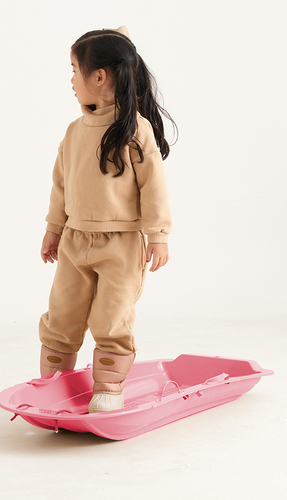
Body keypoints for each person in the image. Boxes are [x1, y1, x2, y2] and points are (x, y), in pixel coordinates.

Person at [38, 26, 176, 413]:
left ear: (98, 76)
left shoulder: (135, 129)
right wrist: (53, 229)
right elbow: (61, 185)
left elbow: (153, 186)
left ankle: (109, 388)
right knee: (62, 313)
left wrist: (159, 234)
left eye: (74, 70)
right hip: (74, 241)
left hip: (121, 244)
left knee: (111, 317)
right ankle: (52, 384)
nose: (71, 80)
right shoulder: (74, 131)